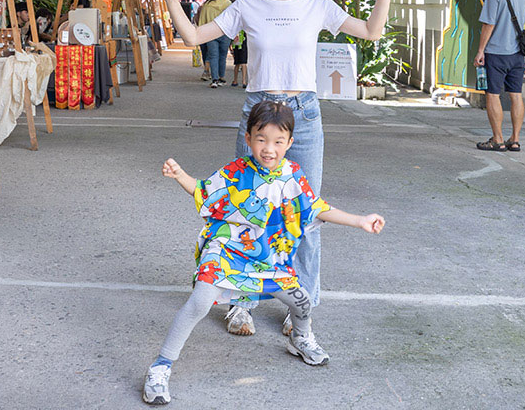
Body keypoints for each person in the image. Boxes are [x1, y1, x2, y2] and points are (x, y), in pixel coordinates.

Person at [148, 0, 409, 336]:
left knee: (304, 215)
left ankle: (301, 303)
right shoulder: (247, 5)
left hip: (302, 117)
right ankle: (240, 303)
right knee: (243, 210)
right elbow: (194, 35)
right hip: (257, 112)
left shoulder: (317, 4)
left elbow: (371, 32)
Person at [142, 101, 385, 405]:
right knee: (201, 300)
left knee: (302, 302)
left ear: (290, 143)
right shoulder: (236, 171)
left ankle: (300, 339)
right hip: (227, 250)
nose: (269, 148)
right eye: (261, 139)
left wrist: (360, 220)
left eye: (278, 142)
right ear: (248, 138)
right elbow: (203, 190)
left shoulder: (293, 175)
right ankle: (160, 368)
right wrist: (179, 175)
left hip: (268, 256)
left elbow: (318, 208)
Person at [473, 0, 525, 152]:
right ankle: (514, 139)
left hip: (496, 53)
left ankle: (497, 139)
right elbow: (508, 2)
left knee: (493, 95)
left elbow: (489, 24)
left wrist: (480, 51)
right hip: (517, 53)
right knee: (516, 95)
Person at [197, 0, 232, 88]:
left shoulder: (207, 4)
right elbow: (232, 19)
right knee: (222, 56)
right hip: (224, 33)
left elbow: (202, 21)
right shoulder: (228, 3)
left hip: (210, 34)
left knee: (213, 56)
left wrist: (200, 34)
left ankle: (214, 79)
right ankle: (222, 77)